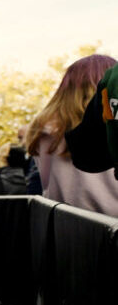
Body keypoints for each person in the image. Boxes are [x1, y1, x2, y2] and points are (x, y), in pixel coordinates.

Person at [25, 54, 118, 215]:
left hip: (64, 226)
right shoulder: (110, 125)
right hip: (110, 226)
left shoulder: (44, 130)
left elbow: (46, 185)